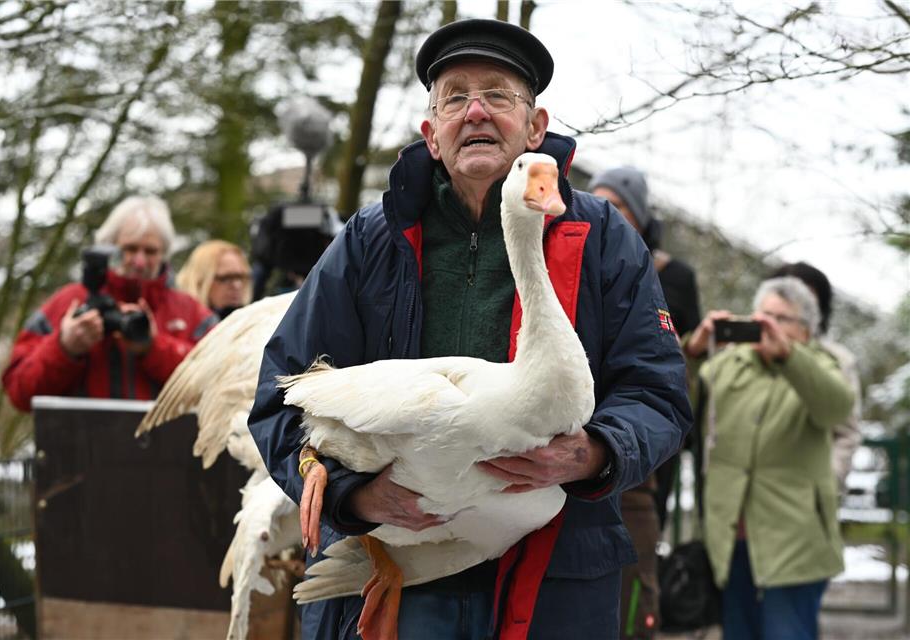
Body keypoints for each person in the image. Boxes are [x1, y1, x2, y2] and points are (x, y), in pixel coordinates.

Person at [248, 18, 691, 639]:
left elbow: (659, 394)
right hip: (400, 576)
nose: (476, 111)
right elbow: (278, 398)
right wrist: (355, 497)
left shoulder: (604, 242)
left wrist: (593, 453)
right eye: (455, 96)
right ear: (432, 134)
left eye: (499, 95)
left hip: (554, 585)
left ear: (535, 126)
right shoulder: (367, 243)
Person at [682, 277, 854, 640]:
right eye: (763, 314)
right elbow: (676, 401)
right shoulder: (728, 363)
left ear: (805, 331)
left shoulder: (823, 365)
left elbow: (836, 407)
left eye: (782, 318)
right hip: (729, 537)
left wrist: (790, 358)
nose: (768, 324)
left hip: (794, 538)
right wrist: (693, 351)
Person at [590, 166, 702, 638]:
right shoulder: (572, 256)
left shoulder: (672, 275)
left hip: (643, 452)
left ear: (637, 214)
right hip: (580, 440)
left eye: (614, 205)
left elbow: (674, 365)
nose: (601, 214)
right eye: (595, 201)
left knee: (635, 595)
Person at [3, 196, 217, 411]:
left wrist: (154, 347)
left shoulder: (191, 313)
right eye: (130, 249)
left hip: (168, 443)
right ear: (108, 247)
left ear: (164, 254)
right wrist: (64, 348)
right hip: (80, 442)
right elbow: (19, 392)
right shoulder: (68, 303)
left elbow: (221, 386)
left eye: (150, 251)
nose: (140, 261)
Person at [770, 261, 862, 493]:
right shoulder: (740, 354)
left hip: (805, 499)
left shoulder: (837, 360)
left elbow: (846, 433)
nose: (796, 306)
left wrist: (825, 486)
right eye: (788, 295)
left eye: (807, 298)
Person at [176, 240, 253, 320]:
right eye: (225, 278)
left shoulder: (255, 323)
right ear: (200, 281)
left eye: (241, 277)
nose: (237, 285)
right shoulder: (180, 324)